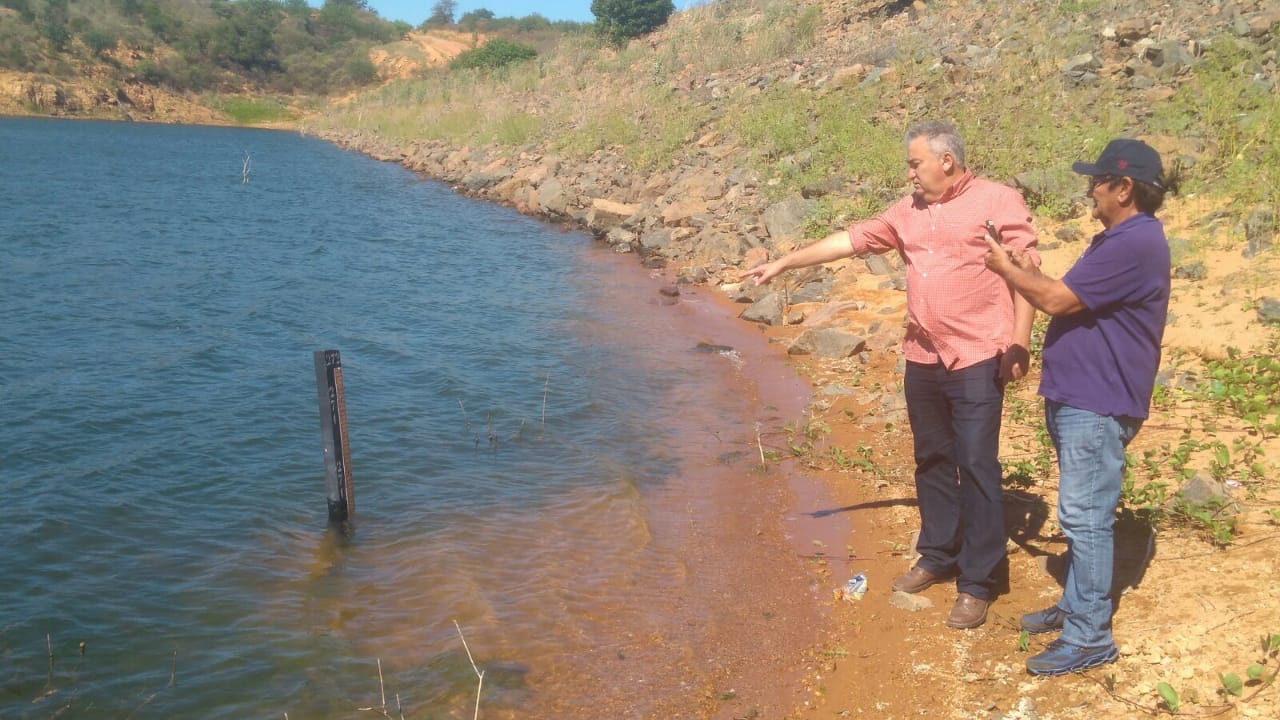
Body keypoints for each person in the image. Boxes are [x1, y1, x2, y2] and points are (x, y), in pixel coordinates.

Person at [742, 120, 1038, 629]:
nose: (910, 173)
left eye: (915, 163)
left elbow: (1026, 270)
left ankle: (978, 581)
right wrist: (785, 263)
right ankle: (939, 554)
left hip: (977, 353)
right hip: (922, 356)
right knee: (932, 459)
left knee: (977, 464)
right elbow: (849, 240)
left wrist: (1020, 341)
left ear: (946, 161)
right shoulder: (907, 211)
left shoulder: (997, 201)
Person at [983, 138, 1173, 675]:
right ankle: (1075, 607)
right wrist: (1023, 267)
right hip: (1083, 397)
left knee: (1085, 517)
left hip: (1097, 401)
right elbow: (1069, 292)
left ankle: (1090, 635)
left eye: (1096, 181)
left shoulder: (1134, 242)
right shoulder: (1121, 239)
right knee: (1080, 511)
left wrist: (1006, 270)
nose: (1090, 190)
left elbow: (1056, 300)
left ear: (1124, 188)